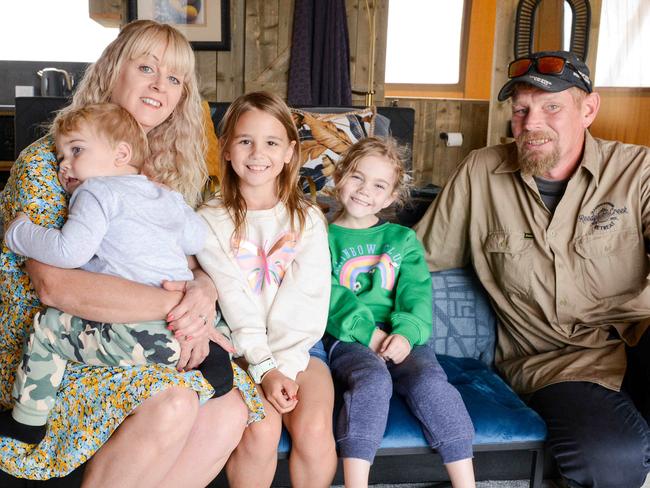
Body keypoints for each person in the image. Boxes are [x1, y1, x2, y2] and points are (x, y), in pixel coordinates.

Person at [0, 20, 263, 487]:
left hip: (143, 332)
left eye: (175, 78)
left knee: (230, 409)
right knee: (175, 402)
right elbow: (52, 284)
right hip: (57, 349)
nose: (160, 85)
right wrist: (185, 311)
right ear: (111, 70)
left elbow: (189, 254)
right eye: (147, 67)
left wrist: (202, 290)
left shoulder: (157, 172)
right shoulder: (56, 161)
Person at [414, 50, 650, 488]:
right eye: (521, 109)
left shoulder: (637, 171)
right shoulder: (482, 173)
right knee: (609, 459)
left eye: (552, 107)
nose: (531, 122)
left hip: (639, 337)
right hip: (558, 362)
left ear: (589, 109)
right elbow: (416, 258)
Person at [1, 103, 235, 445]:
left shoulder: (95, 192)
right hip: (192, 328)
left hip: (136, 331)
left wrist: (19, 232)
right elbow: (196, 238)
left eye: (77, 150)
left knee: (49, 327)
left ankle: (28, 420)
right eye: (62, 155)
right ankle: (212, 360)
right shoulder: (164, 194)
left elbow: (69, 251)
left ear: (121, 153)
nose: (64, 164)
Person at [196, 91, 337, 488]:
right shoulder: (208, 220)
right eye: (245, 141)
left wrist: (283, 369)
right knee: (261, 428)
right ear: (225, 149)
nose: (258, 153)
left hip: (300, 349)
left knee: (311, 427)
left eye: (272, 143)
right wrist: (262, 368)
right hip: (239, 351)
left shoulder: (306, 219)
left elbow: (306, 302)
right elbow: (234, 301)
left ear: (291, 152)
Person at [324, 136, 476, 488]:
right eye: (357, 177)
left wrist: (406, 334)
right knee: (373, 380)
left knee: (430, 383)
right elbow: (327, 296)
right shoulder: (321, 236)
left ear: (391, 196)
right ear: (340, 177)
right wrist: (369, 334)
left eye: (379, 185)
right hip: (349, 337)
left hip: (402, 335)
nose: (365, 191)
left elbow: (417, 294)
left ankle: (466, 482)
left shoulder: (402, 239)